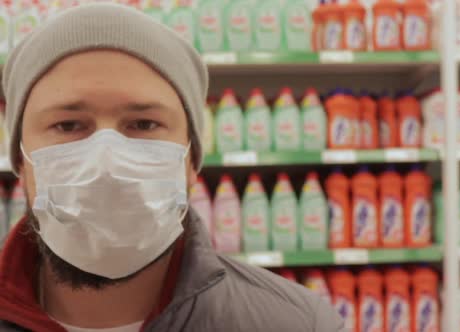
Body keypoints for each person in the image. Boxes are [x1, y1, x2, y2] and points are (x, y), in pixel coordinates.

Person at [0, 3, 344, 332]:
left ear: (192, 159)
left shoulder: (296, 324)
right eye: (68, 125)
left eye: (145, 124)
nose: (107, 164)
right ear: (19, 158)